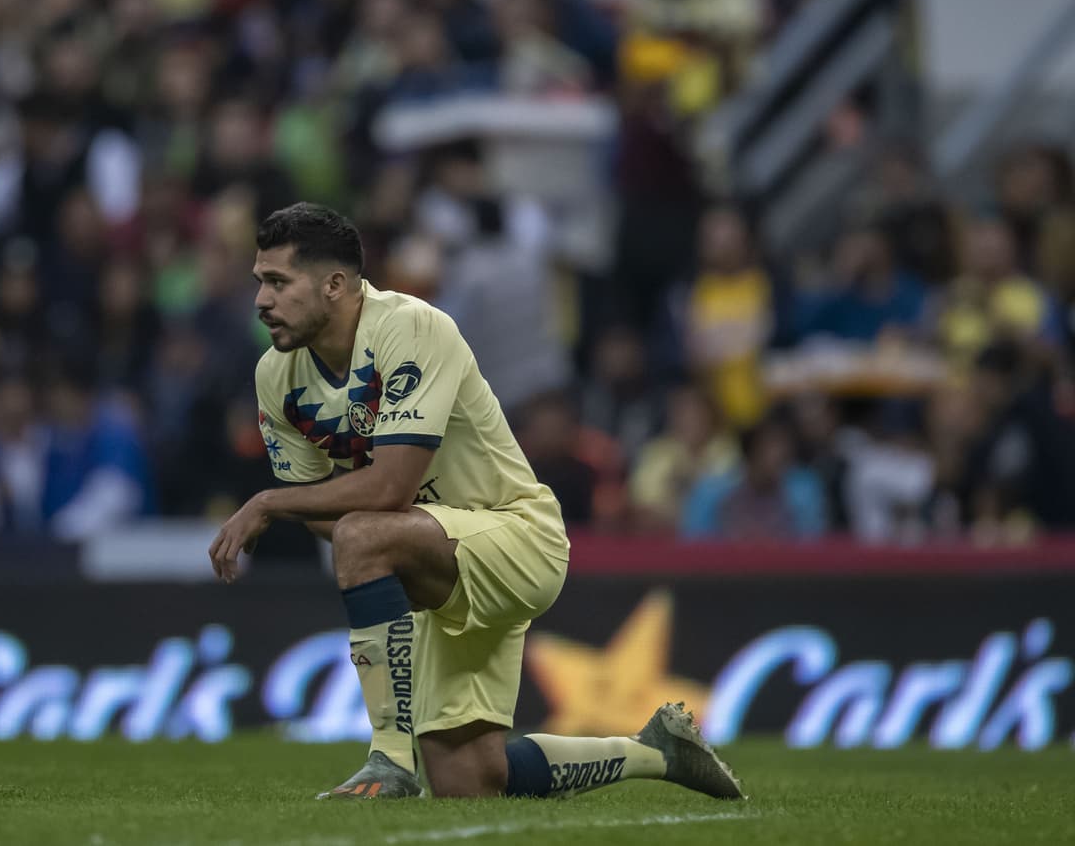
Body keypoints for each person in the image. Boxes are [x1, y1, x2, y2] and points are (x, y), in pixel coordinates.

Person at [208, 203, 743, 801]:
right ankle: (657, 752)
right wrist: (375, 558)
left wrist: (269, 502)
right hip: (435, 556)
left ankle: (388, 760)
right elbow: (322, 514)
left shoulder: (409, 329)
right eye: (260, 281)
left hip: (514, 533)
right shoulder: (276, 378)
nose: (261, 299)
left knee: (364, 532)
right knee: (470, 778)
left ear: (334, 284)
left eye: (278, 282)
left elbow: (388, 491)